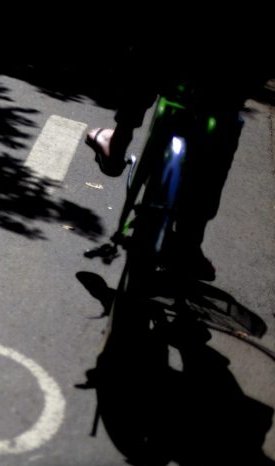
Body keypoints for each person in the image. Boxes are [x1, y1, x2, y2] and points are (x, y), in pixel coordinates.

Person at [84, 31, 272, 281]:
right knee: (225, 117)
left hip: (176, 52)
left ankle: (119, 141)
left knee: (151, 57)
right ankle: (189, 242)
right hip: (232, 68)